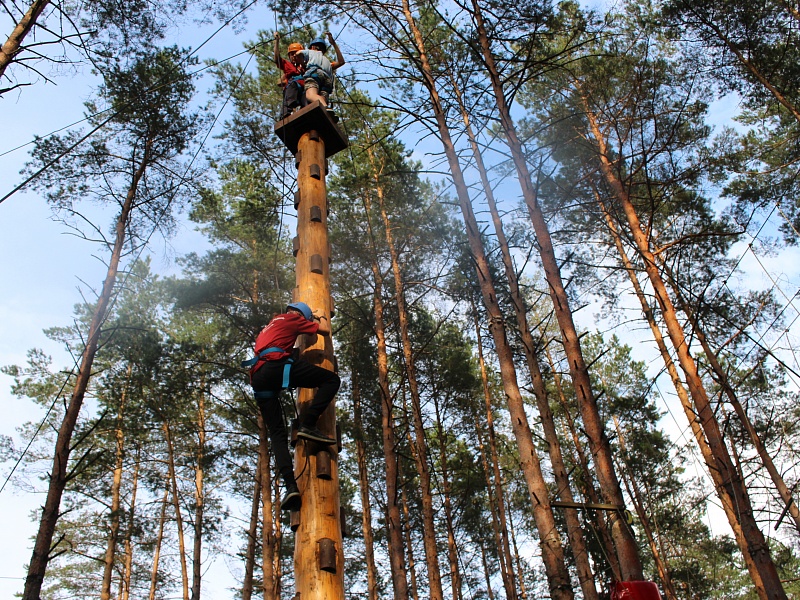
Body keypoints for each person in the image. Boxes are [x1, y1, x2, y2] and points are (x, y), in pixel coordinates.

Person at [247, 301, 340, 511]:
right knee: (331, 380)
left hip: (259, 376)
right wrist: (321, 317)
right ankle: (308, 424)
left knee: (277, 434)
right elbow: (323, 331)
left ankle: (290, 486)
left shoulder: (271, 324)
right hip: (276, 367)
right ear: (302, 315)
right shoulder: (293, 318)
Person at [291, 32, 345, 109]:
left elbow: (298, 53)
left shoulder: (311, 52)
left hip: (315, 74)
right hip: (328, 81)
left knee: (310, 95)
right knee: (321, 98)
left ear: (312, 47)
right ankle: (326, 111)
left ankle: (326, 108)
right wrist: (333, 44)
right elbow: (341, 62)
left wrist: (303, 64)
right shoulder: (327, 63)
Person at [273, 33, 305, 120]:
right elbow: (276, 59)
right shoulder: (288, 65)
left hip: (304, 88)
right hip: (292, 87)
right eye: (292, 54)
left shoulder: (305, 65)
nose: (294, 56)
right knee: (290, 95)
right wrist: (277, 41)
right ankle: (285, 114)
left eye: (296, 53)